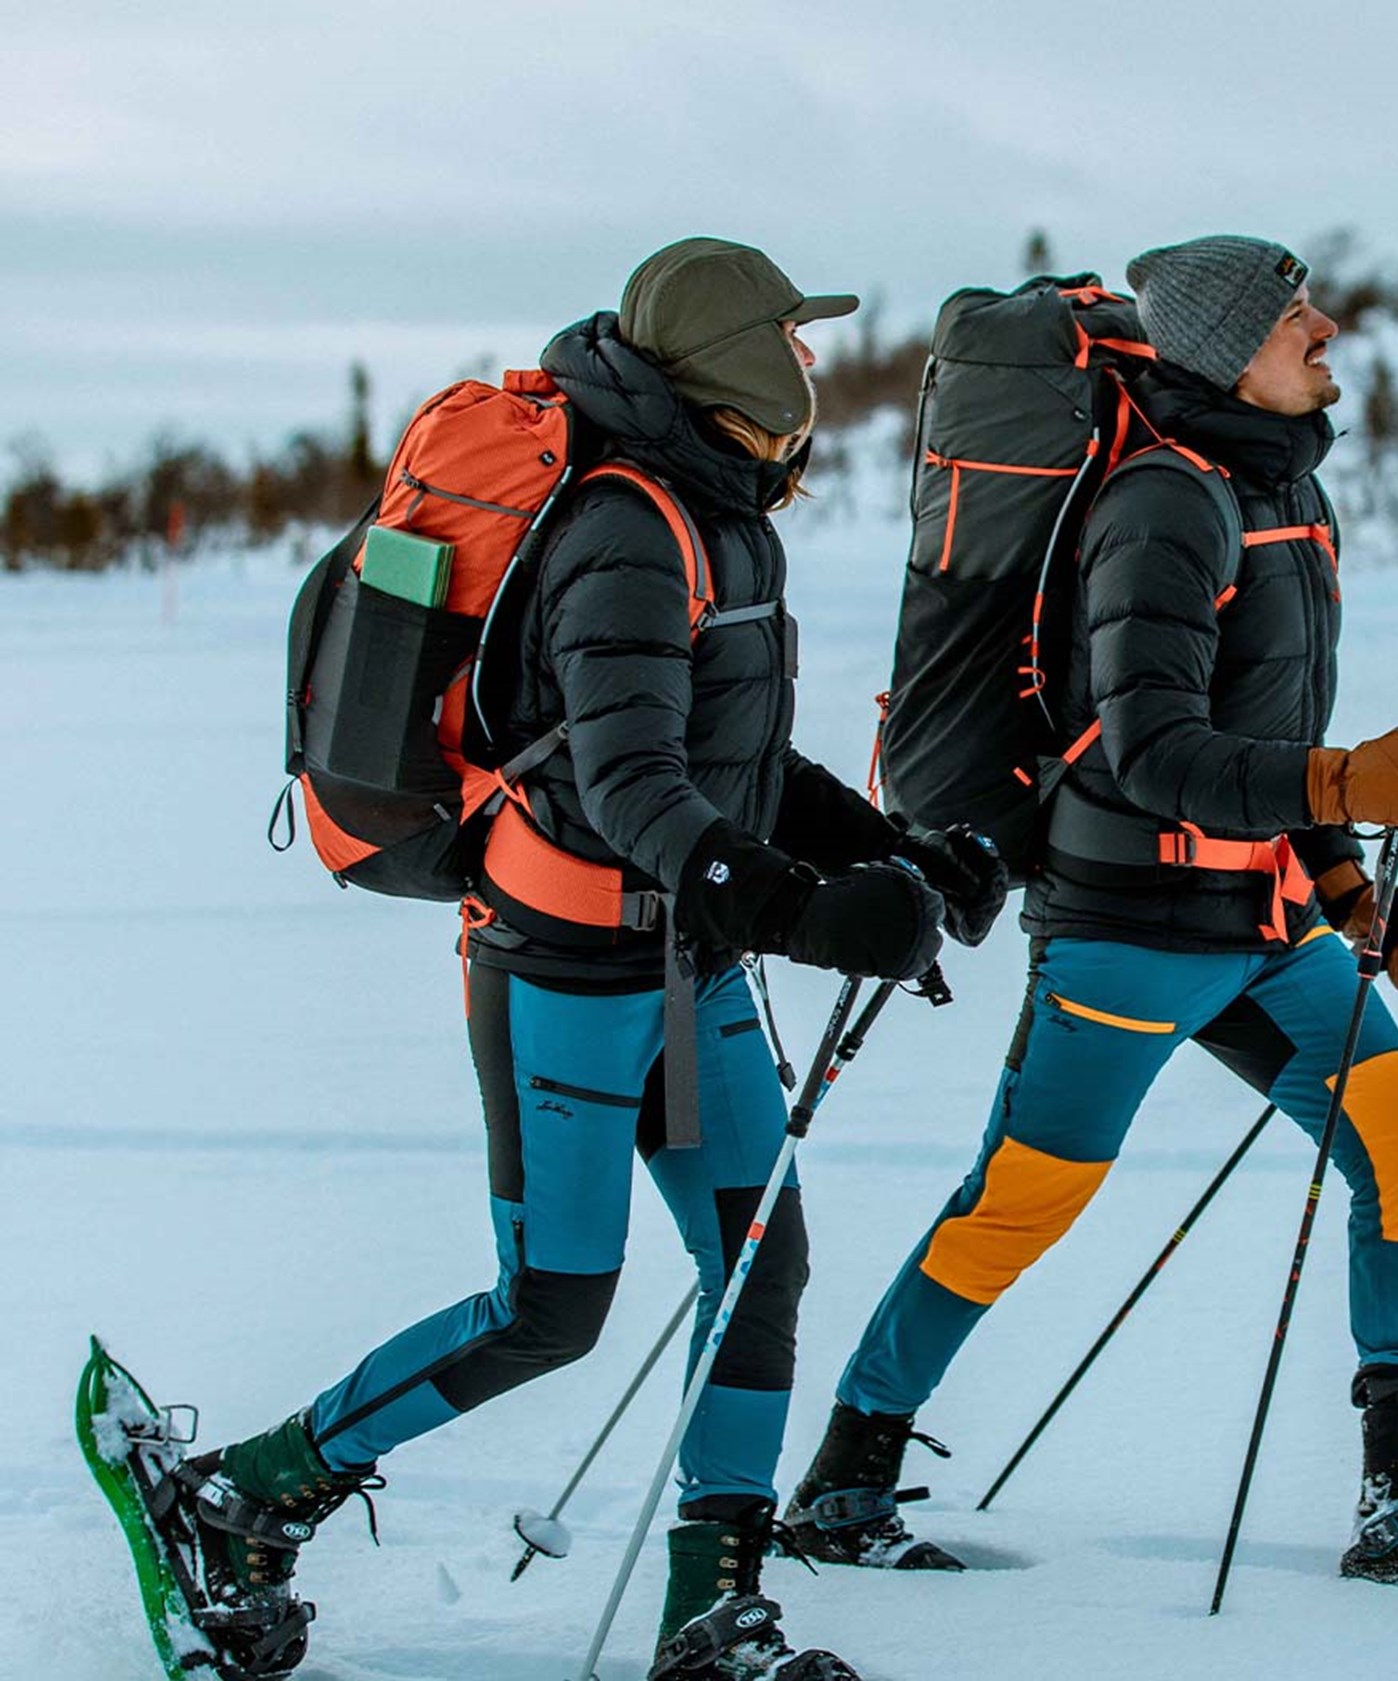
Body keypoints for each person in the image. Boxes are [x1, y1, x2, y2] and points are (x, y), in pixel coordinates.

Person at [146, 237, 1007, 1681]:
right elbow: (631, 790)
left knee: (757, 1267)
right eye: (790, 342)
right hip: (562, 966)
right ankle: (246, 1495)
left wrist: (893, 850)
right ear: (735, 364)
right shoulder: (625, 527)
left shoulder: (724, 515)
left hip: (690, 963)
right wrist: (809, 914)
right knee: (552, 1307)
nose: (807, 365)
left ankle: (713, 1615)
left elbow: (733, 762)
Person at [784, 235, 1398, 1594]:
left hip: (1265, 926)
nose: (1325, 326)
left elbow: (1275, 726)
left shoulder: (1289, 488)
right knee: (1023, 1201)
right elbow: (1150, 751)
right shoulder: (1163, 503)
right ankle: (846, 1481)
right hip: (1127, 927)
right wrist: (1345, 781)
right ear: (1226, 348)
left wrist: (1349, 887)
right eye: (1293, 312)